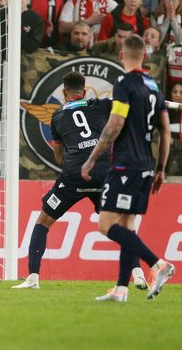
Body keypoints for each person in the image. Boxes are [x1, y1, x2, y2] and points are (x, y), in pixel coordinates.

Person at [13, 71, 148, 289]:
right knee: (121, 225)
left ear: (64, 92)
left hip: (75, 175)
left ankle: (33, 279)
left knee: (43, 222)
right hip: (103, 172)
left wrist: (69, 168)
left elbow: (58, 154)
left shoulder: (56, 116)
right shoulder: (102, 105)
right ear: (84, 91)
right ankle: (139, 273)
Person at [81, 34, 175, 302]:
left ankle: (159, 264)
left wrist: (91, 159)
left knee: (106, 224)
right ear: (144, 55)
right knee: (127, 226)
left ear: (122, 54)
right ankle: (121, 289)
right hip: (145, 166)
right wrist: (160, 169)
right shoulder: (153, 86)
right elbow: (166, 131)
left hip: (124, 166)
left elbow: (114, 125)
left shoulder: (123, 84)